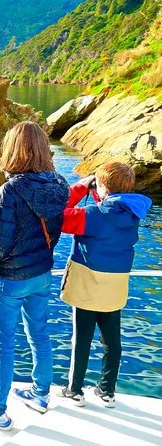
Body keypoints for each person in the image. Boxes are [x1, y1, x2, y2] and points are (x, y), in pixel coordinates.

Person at [0, 122, 69, 430]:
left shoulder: (11, 190)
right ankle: (40, 393)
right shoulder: (60, 184)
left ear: (13, 149)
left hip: (11, 279)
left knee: (3, 342)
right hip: (42, 272)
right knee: (39, 333)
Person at [57, 162, 151, 408]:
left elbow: (59, 217)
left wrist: (80, 188)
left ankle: (74, 390)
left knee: (82, 340)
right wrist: (100, 192)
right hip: (115, 287)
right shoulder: (133, 214)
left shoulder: (90, 215)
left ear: (102, 187)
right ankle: (107, 392)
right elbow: (111, 213)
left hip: (88, 285)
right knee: (112, 342)